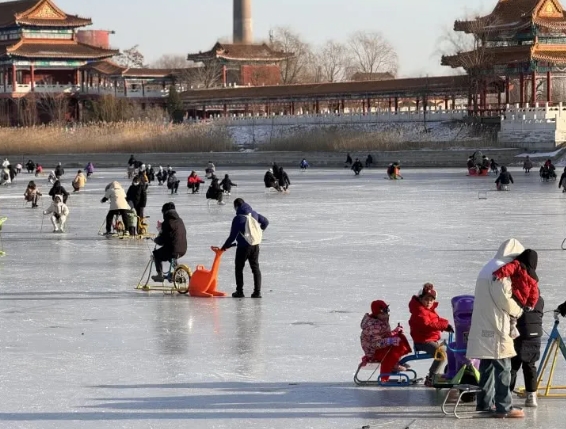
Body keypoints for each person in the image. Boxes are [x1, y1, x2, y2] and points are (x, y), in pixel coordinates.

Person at [467, 238, 526, 418]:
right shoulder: (501, 271)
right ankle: (504, 407)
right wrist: (518, 310)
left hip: (482, 324)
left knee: (487, 366)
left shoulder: (487, 267)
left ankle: (484, 404)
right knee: (503, 367)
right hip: (496, 325)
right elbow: (503, 299)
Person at [221, 198, 269, 298]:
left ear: (236, 206)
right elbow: (265, 222)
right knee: (255, 268)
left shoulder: (238, 218)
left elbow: (232, 236)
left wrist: (224, 247)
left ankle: (239, 291)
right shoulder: (254, 214)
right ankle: (257, 292)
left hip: (243, 247)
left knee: (239, 268)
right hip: (255, 245)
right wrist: (259, 232)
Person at [408, 283, 454, 387]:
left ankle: (441, 373)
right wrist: (444, 326)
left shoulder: (427, 310)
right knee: (441, 355)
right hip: (423, 341)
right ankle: (431, 377)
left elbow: (436, 320)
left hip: (429, 339)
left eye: (431, 300)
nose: (429, 302)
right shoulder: (419, 311)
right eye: (426, 299)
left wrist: (446, 324)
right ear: (420, 299)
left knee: (447, 351)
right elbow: (428, 324)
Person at [360, 300, 412, 380]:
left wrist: (395, 332)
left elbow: (384, 335)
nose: (386, 314)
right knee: (393, 347)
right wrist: (390, 341)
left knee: (400, 338)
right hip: (373, 352)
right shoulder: (373, 326)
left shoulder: (381, 321)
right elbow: (375, 344)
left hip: (381, 347)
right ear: (377, 314)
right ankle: (391, 367)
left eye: (386, 311)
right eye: (383, 313)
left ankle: (394, 362)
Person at [493, 249, 539, 338]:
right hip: (522, 301)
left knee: (510, 312)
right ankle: (512, 326)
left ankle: (511, 327)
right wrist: (531, 304)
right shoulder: (533, 276)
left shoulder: (518, 265)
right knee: (514, 314)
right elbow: (534, 293)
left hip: (515, 295)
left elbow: (508, 268)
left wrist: (498, 274)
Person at [509, 296, 544, 408]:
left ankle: (506, 396)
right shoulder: (539, 299)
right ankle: (531, 397)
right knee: (530, 365)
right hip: (535, 335)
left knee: (512, 366)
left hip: (519, 334)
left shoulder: (517, 297)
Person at [151, 202, 187, 282]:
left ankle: (160, 275)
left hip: (173, 249)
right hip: (183, 248)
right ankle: (179, 273)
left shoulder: (167, 222)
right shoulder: (180, 220)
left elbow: (162, 240)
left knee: (156, 254)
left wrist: (156, 239)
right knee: (171, 256)